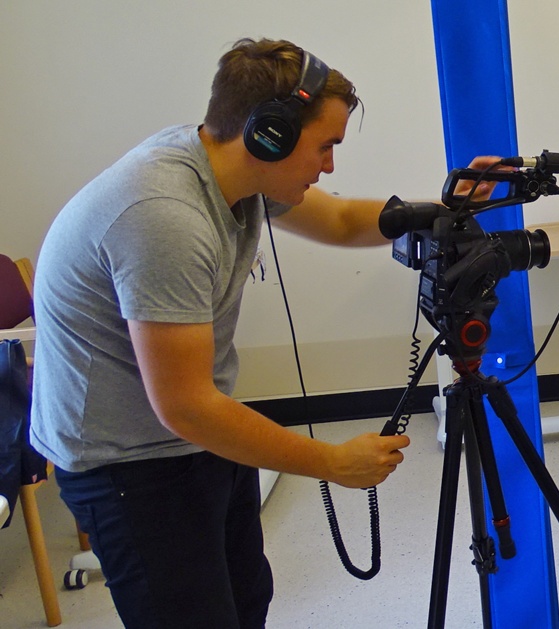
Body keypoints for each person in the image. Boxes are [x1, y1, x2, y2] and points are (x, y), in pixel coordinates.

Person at [28, 38, 501, 629]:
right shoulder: (163, 218)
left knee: (246, 604)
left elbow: (344, 218)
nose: (330, 165)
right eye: (325, 145)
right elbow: (185, 407)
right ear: (269, 134)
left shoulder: (229, 168)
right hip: (127, 462)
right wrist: (330, 462)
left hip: (199, 434)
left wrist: (451, 207)